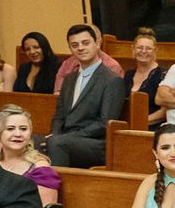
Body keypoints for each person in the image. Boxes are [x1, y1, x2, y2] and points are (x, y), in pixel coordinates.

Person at [46, 23, 128, 168]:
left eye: (85, 43)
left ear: (97, 44)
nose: (80, 48)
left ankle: (54, 190)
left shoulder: (112, 80)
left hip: (96, 143)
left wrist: (63, 138)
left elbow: (104, 123)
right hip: (67, 139)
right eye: (75, 45)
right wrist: (55, 134)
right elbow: (59, 116)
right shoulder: (69, 79)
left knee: (56, 144)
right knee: (30, 141)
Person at [119, 29, 167, 122]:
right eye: (140, 48)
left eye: (148, 48)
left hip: (151, 127)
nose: (143, 51)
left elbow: (165, 112)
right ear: (133, 49)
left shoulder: (163, 75)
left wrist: (141, 122)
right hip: (128, 125)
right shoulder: (129, 74)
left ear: (155, 51)